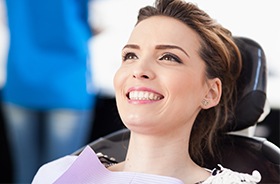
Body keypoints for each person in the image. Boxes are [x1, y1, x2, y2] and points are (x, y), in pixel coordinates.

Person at [32, 0, 261, 183]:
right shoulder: (55, 174)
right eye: (130, 56)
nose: (139, 70)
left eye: (169, 57)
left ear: (210, 93)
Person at [2, 0, 96, 183]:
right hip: (68, 83)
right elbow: (99, 22)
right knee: (62, 177)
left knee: (25, 173)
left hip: (21, 78)